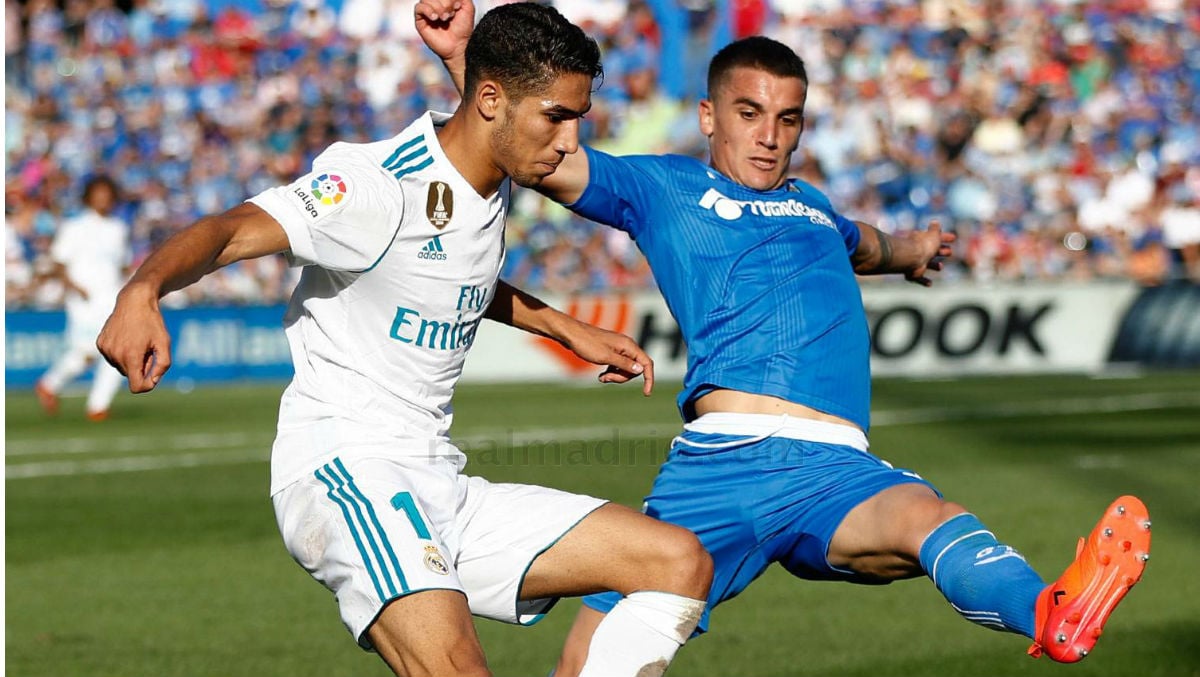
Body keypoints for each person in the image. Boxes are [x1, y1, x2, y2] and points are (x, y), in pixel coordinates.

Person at [421, 14, 1152, 673]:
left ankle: (1053, 614)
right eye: (749, 113)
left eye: (787, 119)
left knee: (927, 519)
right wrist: (465, 59)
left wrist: (914, 249)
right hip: (723, 462)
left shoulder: (812, 206)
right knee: (594, 652)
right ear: (709, 116)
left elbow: (869, 244)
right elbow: (537, 145)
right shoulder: (663, 187)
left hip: (836, 468)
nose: (769, 134)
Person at [97, 4, 713, 677]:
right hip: (346, 465)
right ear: (490, 101)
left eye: (578, 119)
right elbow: (234, 228)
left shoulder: (493, 167)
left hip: (439, 481)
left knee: (676, 562)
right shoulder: (377, 186)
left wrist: (566, 327)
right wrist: (142, 289)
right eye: (558, 117)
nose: (571, 142)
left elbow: (453, 266)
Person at [34, 175, 129, 421]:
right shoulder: (74, 227)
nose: (104, 200)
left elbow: (121, 265)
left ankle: (97, 405)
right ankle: (51, 383)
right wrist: (74, 286)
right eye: (99, 194)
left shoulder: (118, 229)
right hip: (85, 299)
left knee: (117, 351)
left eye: (107, 195)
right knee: (87, 352)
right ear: (89, 197)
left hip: (111, 297)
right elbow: (58, 262)